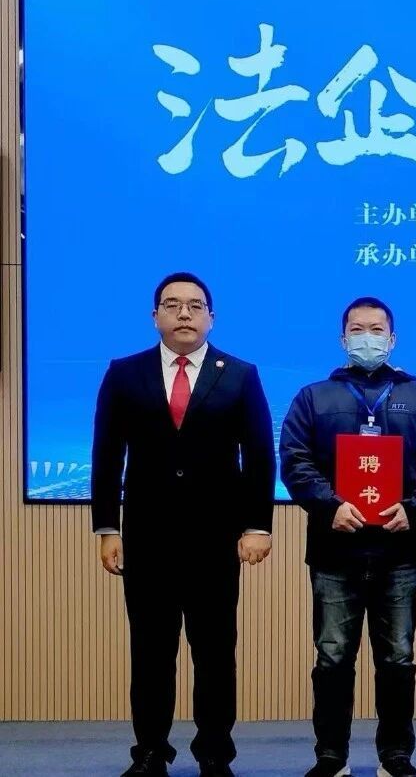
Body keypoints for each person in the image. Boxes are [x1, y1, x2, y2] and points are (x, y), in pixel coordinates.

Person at [91, 272, 275, 777]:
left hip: (215, 540)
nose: (184, 313)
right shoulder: (124, 373)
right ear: (155, 316)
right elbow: (106, 455)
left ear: (211, 317)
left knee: (214, 653)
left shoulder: (240, 374)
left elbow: (260, 456)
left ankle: (214, 753)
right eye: (172, 305)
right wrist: (107, 528)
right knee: (151, 652)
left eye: (195, 305)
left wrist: (257, 525)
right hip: (147, 539)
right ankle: (151, 752)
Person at [280, 296, 416, 777]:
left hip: (401, 549)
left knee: (398, 657)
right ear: (343, 339)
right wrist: (330, 506)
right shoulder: (314, 397)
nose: (367, 338)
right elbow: (295, 461)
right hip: (335, 550)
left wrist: (415, 509)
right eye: (357, 329)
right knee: (333, 656)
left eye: (376, 330)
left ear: (392, 339)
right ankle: (330, 757)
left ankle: (395, 756)